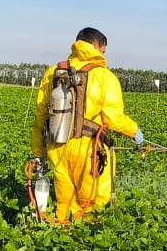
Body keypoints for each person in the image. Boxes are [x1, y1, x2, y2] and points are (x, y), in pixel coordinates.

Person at [30, 27, 143, 222]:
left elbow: (41, 115)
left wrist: (38, 153)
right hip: (90, 150)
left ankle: (62, 234)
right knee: (92, 204)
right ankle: (86, 237)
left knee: (65, 202)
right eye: (103, 51)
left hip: (58, 145)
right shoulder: (104, 76)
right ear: (97, 46)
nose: (104, 55)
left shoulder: (53, 72)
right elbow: (113, 118)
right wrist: (135, 131)